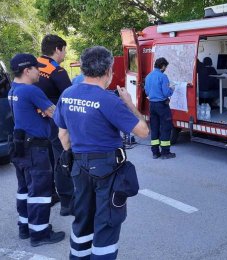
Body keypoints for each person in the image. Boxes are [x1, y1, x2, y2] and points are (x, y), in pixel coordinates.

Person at [53, 46, 149, 259]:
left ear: (83, 69)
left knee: (83, 219)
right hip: (107, 170)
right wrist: (130, 104)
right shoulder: (109, 100)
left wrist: (74, 155)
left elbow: (62, 135)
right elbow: (143, 131)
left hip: (79, 167)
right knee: (107, 222)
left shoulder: (67, 94)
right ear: (108, 71)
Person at [8, 53, 65, 247]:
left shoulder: (13, 89)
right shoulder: (31, 91)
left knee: (24, 189)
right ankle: (40, 234)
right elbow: (56, 114)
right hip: (35, 148)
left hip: (20, 145)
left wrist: (41, 111)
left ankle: (24, 227)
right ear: (27, 70)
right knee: (40, 191)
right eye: (36, 68)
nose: (39, 71)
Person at [35, 34, 74, 216]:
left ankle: (50, 194)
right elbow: (69, 98)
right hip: (55, 120)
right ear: (57, 49)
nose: (64, 54)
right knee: (61, 160)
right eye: (64, 50)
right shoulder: (56, 70)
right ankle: (67, 202)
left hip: (35, 122)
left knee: (45, 160)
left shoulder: (32, 66)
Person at [144, 57, 176, 159]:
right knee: (166, 128)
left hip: (152, 105)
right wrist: (172, 89)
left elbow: (147, 92)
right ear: (162, 66)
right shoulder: (163, 77)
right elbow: (166, 93)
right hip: (162, 105)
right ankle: (165, 153)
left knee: (154, 128)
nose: (165, 68)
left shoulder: (148, 76)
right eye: (165, 67)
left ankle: (155, 152)